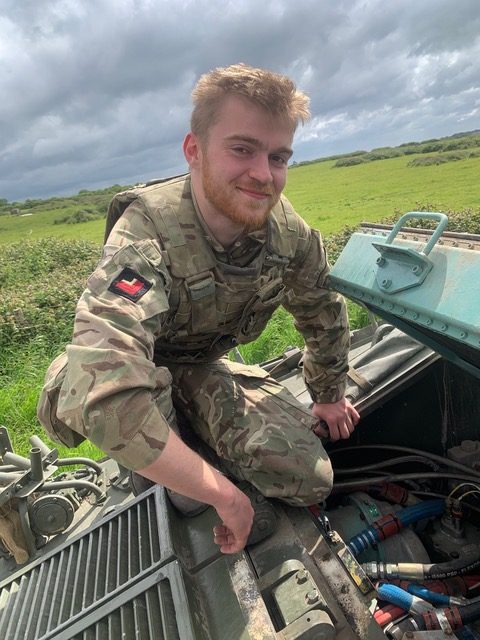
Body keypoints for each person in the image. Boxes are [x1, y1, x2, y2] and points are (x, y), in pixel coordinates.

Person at [39, 63, 359, 554]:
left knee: (309, 479)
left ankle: (189, 414)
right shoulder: (148, 230)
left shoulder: (289, 234)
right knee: (176, 490)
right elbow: (103, 393)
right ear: (194, 151)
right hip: (142, 365)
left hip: (198, 363)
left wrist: (329, 394)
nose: (262, 175)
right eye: (241, 149)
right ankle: (174, 437)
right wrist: (223, 495)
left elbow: (323, 311)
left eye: (278, 157)